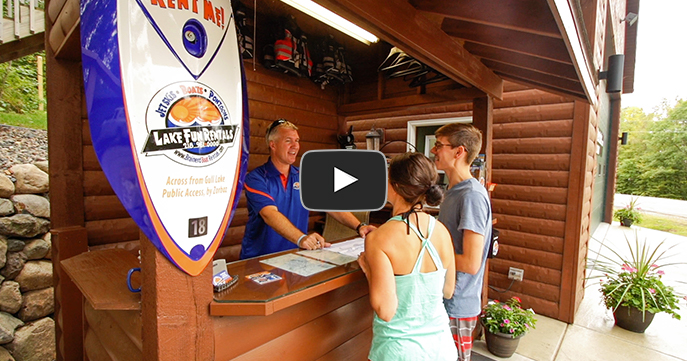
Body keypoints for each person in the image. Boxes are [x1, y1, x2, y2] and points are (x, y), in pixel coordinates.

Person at [357, 152, 457, 361]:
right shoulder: (441, 231)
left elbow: (386, 310)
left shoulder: (380, 238)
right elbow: (448, 291)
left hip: (400, 352)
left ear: (393, 185)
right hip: (441, 348)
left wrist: (368, 270)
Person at [240, 119, 375, 259]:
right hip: (258, 261)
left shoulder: (304, 176)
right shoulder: (256, 179)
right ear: (273, 145)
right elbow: (269, 214)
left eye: (297, 140)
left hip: (292, 258)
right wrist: (301, 238)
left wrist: (360, 226)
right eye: (288, 141)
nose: (295, 146)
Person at [431, 123, 493, 361]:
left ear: (459, 152)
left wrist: (425, 252)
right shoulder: (453, 190)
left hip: (458, 304)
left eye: (439, 145)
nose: (434, 151)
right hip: (443, 297)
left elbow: (470, 263)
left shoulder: (472, 196)